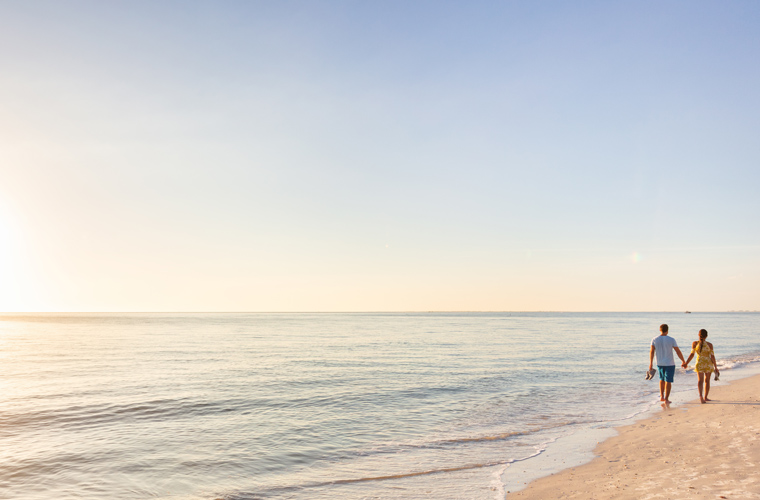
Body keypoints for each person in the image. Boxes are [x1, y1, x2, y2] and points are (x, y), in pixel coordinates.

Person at [648, 324, 686, 403]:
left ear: (660, 330)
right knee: (668, 381)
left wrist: (651, 363)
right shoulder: (671, 339)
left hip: (659, 363)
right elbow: (677, 351)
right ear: (667, 330)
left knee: (661, 379)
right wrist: (683, 361)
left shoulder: (654, 339)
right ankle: (666, 399)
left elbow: (652, 352)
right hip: (670, 363)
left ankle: (661, 396)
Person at [683, 329, 720, 404]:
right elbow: (712, 356)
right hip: (708, 364)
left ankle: (700, 396)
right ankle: (705, 397)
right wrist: (716, 367)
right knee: (707, 381)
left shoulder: (695, 343)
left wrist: (686, 363)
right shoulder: (709, 345)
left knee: (700, 381)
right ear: (706, 336)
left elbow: (692, 354)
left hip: (699, 363)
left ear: (698, 335)